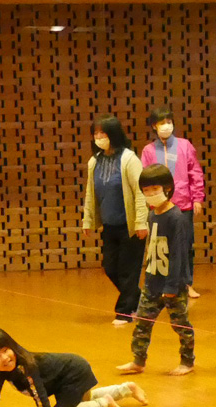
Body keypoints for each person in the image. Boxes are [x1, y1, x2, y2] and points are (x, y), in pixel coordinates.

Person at [0, 326, 145, 407]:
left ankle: (104, 404)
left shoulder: (26, 366)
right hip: (67, 375)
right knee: (83, 399)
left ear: (12, 346)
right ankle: (126, 389)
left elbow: (38, 392)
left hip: (74, 371)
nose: (4, 358)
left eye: (5, 350)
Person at [117, 165, 195, 376]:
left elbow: (178, 254)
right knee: (142, 322)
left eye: (155, 189)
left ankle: (187, 361)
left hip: (172, 285)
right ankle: (138, 360)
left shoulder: (176, 217)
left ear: (167, 188)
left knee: (180, 324)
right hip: (153, 281)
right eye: (146, 190)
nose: (151, 194)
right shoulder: (152, 216)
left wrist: (172, 285)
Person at [83, 115, 148, 326]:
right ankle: (138, 299)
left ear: (113, 134)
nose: (99, 137)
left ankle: (124, 312)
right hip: (109, 226)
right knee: (110, 267)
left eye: (103, 133)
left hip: (129, 226)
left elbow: (140, 193)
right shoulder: (94, 162)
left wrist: (141, 222)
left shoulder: (129, 159)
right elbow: (90, 194)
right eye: (96, 133)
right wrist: (87, 220)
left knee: (129, 270)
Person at [140, 105, 206, 298]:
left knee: (184, 245)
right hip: (158, 206)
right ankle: (162, 283)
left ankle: (186, 283)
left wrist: (197, 198)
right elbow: (145, 178)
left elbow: (195, 173)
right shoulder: (148, 150)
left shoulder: (185, 146)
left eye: (169, 122)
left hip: (183, 205)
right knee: (160, 245)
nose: (166, 126)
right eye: (162, 123)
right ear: (154, 126)